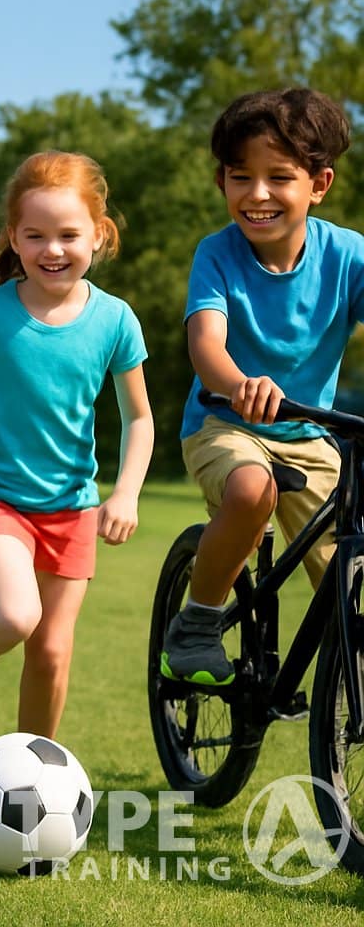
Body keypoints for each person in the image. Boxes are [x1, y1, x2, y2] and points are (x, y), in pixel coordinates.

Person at [0, 151, 154, 754]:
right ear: (14, 241)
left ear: (98, 236)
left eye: (69, 235)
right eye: (36, 235)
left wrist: (125, 492)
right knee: (16, 616)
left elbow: (139, 417)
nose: (53, 249)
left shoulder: (116, 321)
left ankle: (33, 775)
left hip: (70, 506)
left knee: (51, 651)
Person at [161, 88, 362, 685]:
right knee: (251, 492)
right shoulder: (217, 255)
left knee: (347, 584)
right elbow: (206, 347)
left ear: (318, 184)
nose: (258, 194)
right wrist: (240, 384)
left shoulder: (348, 255)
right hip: (225, 423)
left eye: (279, 177)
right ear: (221, 181)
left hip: (311, 435)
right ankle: (197, 619)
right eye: (240, 177)